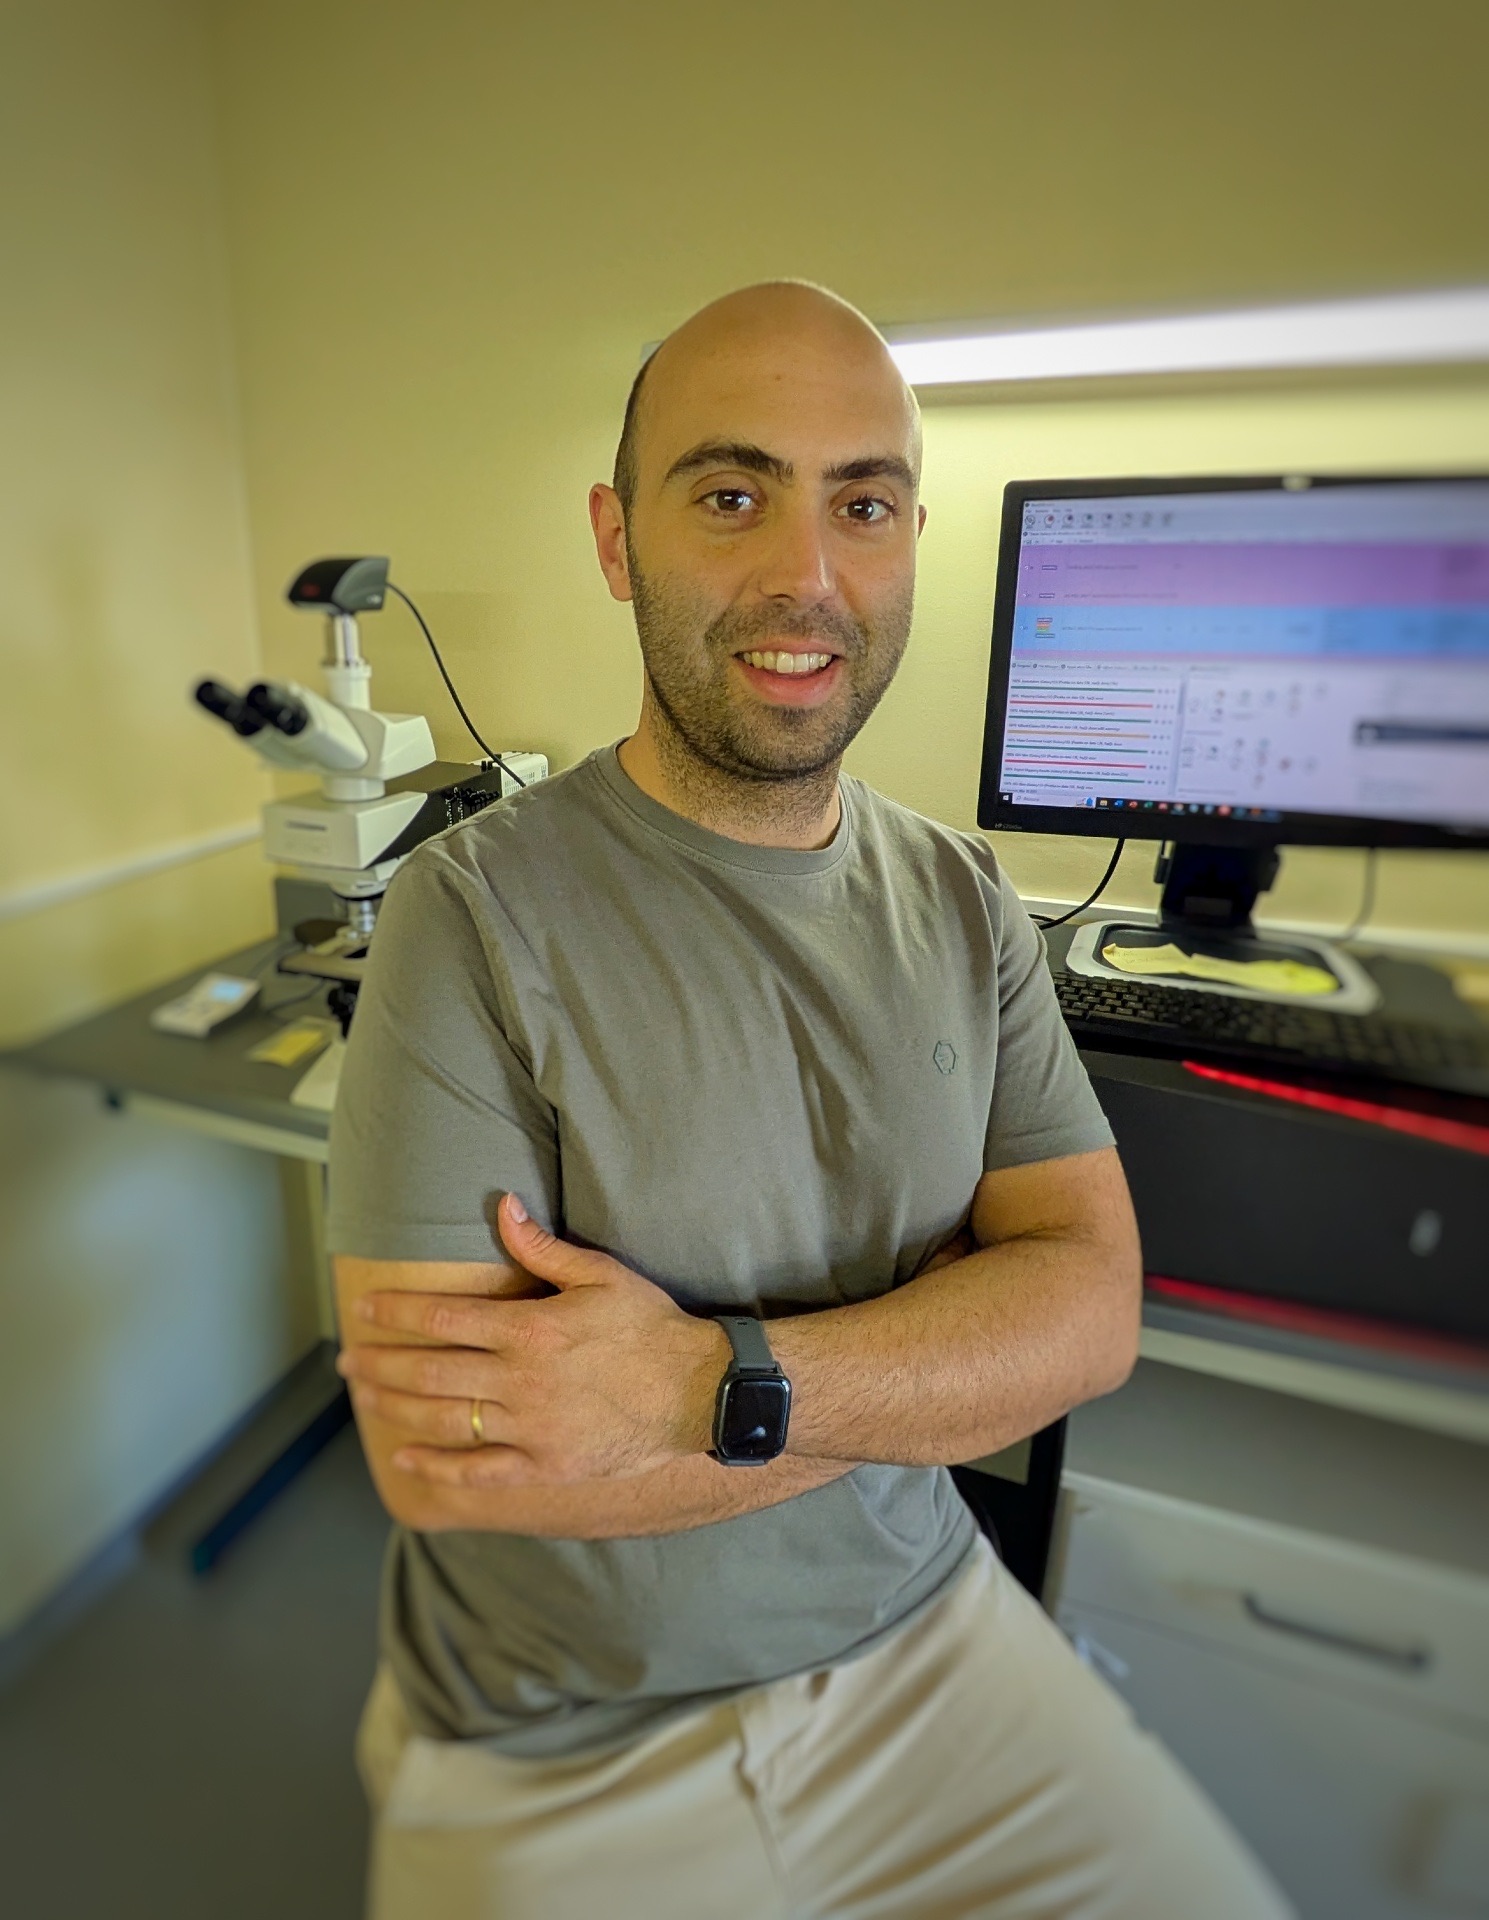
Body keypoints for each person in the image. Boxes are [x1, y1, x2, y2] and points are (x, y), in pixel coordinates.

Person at [328, 280, 1290, 1920]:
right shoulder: (472, 910)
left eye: (863, 504)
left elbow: (1089, 1307)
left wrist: (694, 1384)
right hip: (561, 1743)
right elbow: (458, 1460)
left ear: (914, 535)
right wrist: (941, 1372)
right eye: (728, 494)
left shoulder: (966, 901)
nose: (806, 576)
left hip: (929, 1645)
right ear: (617, 540)